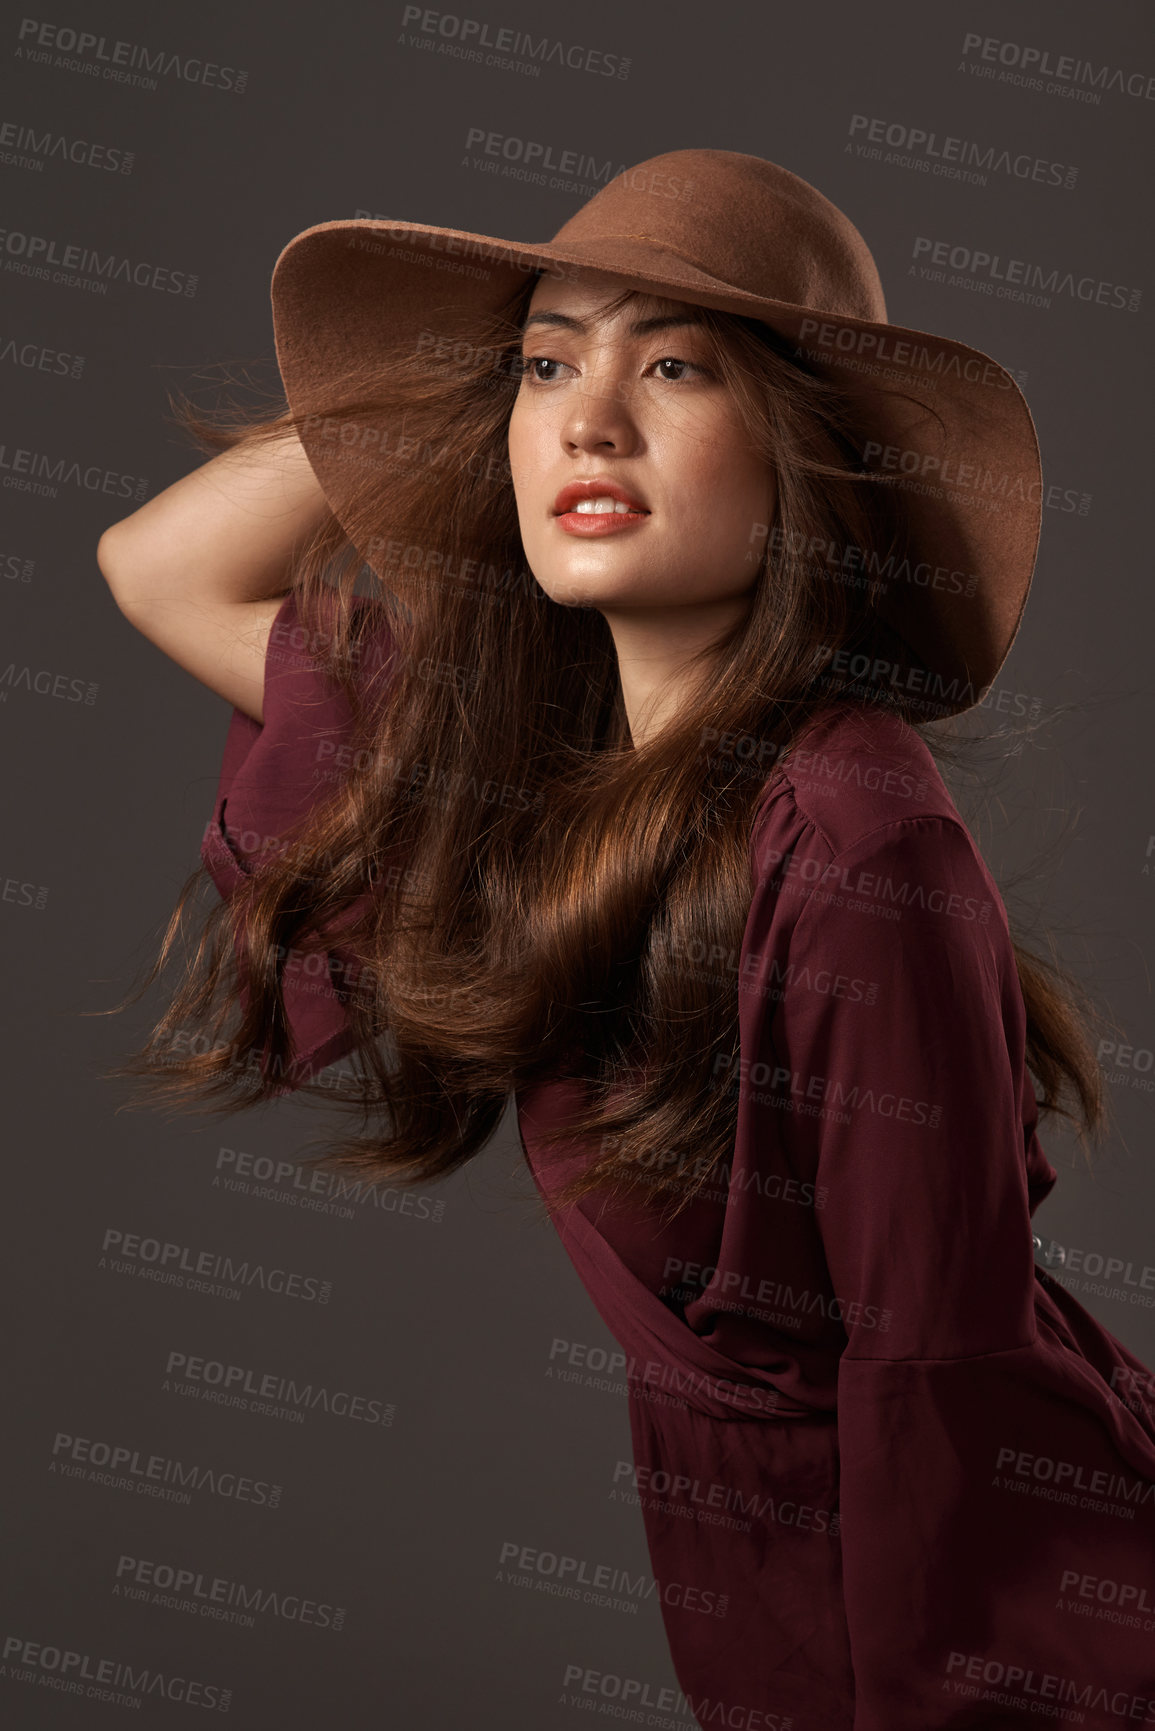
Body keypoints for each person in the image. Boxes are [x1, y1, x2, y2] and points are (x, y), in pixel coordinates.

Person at [97, 151, 1155, 1729]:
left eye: (672, 363)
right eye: (543, 364)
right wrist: (438, 394)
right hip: (766, 1576)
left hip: (985, 1610)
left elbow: (937, 1377)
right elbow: (159, 563)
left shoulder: (862, 835)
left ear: (806, 452)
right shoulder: (529, 767)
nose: (590, 421)